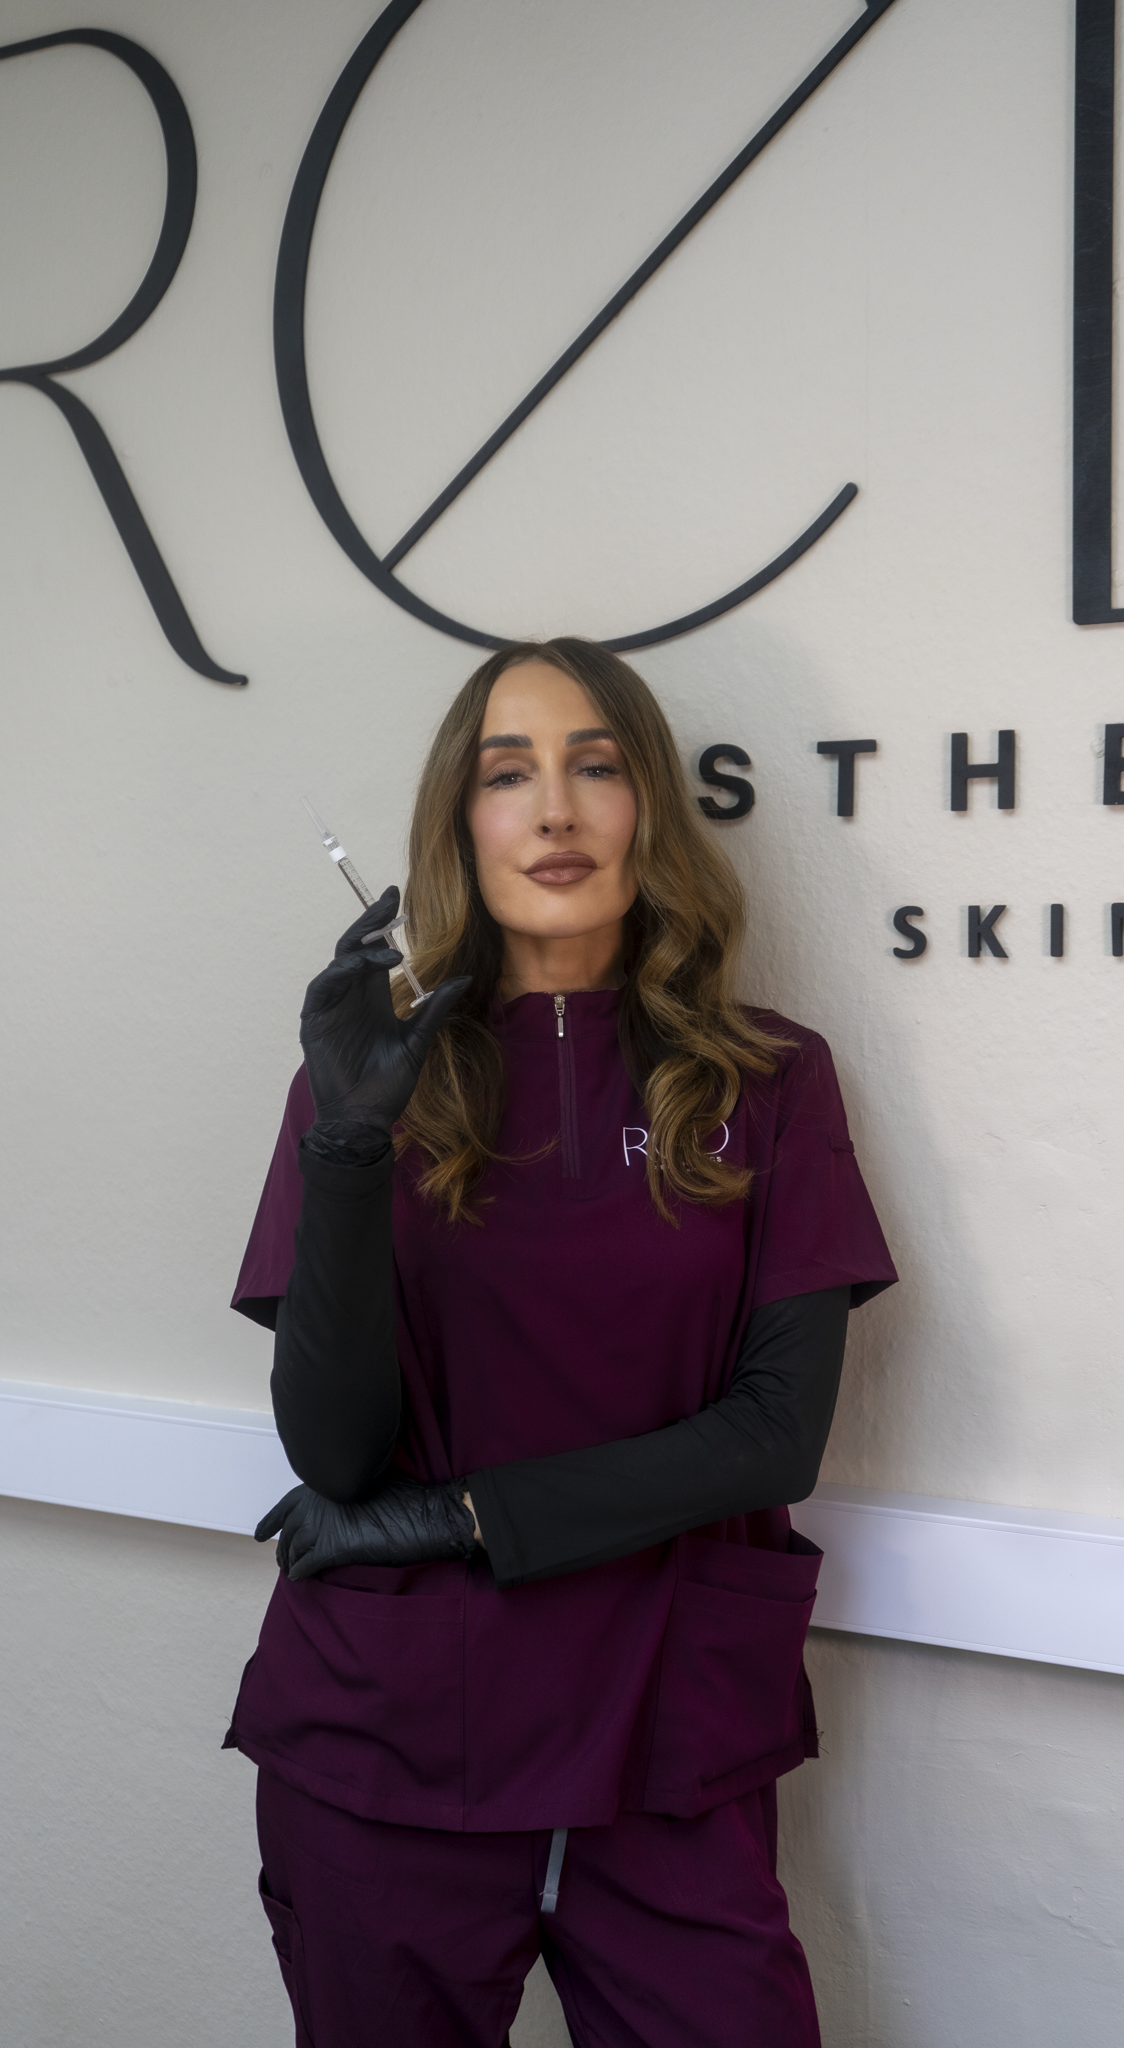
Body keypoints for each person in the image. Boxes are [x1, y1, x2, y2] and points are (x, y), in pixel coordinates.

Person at [226, 637, 896, 2048]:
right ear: (457, 824)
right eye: (506, 772)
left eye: (597, 765)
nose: (555, 811)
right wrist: (349, 1141)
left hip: (670, 1733)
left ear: (649, 803)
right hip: (386, 1732)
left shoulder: (770, 1078)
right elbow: (335, 1452)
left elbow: (773, 1435)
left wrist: (458, 1517)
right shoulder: (365, 1083)